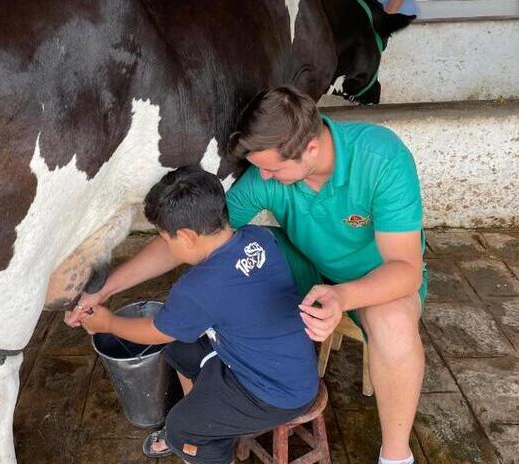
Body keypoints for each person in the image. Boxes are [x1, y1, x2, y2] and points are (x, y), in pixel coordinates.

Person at [69, 86, 426, 464]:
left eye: (272, 168)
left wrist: (343, 297)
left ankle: (396, 456)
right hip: (307, 263)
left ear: (311, 149)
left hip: (372, 277)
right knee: (225, 272)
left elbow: (406, 271)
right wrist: (105, 289)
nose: (264, 177)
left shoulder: (380, 157)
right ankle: (219, 396)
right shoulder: (268, 175)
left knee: (394, 323)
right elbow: (194, 238)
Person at [77, 166, 319, 464]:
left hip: (274, 393)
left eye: (166, 240)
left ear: (188, 237)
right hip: (284, 364)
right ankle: (208, 417)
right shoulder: (257, 238)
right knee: (180, 349)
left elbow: (156, 331)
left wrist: (108, 323)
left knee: (182, 428)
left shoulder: (198, 287)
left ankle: (200, 438)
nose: (167, 247)